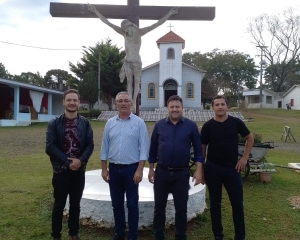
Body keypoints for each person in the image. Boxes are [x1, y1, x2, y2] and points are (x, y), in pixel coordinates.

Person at [88, 4, 178, 113]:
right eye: (123, 29)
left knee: (136, 83)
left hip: (137, 62)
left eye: (125, 28)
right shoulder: (124, 34)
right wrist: (95, 11)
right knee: (129, 83)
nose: (125, 30)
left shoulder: (140, 32)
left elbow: (157, 24)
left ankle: (134, 102)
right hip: (127, 62)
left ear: (129, 26)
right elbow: (107, 22)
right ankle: (130, 102)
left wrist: (170, 13)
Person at [148, 95, 204, 240]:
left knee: (181, 209)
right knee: (159, 208)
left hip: (182, 174)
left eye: (177, 107)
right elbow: (153, 148)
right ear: (167, 108)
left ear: (182, 108)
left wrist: (198, 170)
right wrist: (151, 169)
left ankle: (180, 236)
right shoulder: (159, 125)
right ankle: (158, 235)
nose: (174, 109)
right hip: (162, 172)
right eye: (172, 107)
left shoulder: (191, 126)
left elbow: (198, 150)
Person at [200, 95, 254, 240]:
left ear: (227, 106)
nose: (220, 107)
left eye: (222, 104)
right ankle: (218, 235)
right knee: (215, 204)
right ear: (212, 108)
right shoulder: (208, 126)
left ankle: (240, 236)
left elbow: (250, 138)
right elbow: (202, 148)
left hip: (232, 169)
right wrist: (201, 169)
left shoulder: (236, 123)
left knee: (237, 204)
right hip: (213, 169)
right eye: (216, 104)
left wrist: (244, 158)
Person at [100, 91, 150, 240]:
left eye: (126, 101)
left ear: (131, 104)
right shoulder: (110, 123)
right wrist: (104, 168)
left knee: (132, 204)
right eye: (120, 101)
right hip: (114, 169)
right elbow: (104, 147)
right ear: (116, 104)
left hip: (131, 169)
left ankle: (132, 236)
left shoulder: (139, 123)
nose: (123, 103)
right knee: (116, 204)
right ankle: (119, 233)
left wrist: (140, 170)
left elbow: (144, 148)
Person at [45, 89, 94, 240]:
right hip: (61, 171)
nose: (72, 103)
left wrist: (80, 161)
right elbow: (50, 147)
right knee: (59, 205)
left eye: (75, 100)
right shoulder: (54, 123)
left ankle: (73, 234)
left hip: (79, 171)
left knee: (75, 205)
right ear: (64, 102)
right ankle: (56, 235)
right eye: (69, 100)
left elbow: (90, 145)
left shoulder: (85, 123)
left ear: (79, 102)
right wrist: (67, 162)